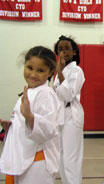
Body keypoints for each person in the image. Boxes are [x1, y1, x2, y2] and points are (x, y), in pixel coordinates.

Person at [0, 46, 63, 184]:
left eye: (40, 70)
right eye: (29, 68)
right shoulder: (30, 91)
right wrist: (9, 128)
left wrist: (29, 116)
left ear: (50, 72)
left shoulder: (45, 94)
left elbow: (48, 129)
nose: (33, 74)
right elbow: (24, 125)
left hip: (36, 163)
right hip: (24, 159)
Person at [53, 35, 85, 184]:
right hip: (58, 116)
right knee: (60, 156)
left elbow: (69, 94)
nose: (63, 52)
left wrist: (59, 71)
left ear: (74, 53)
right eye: (60, 49)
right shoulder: (57, 73)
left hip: (71, 116)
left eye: (67, 48)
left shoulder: (77, 71)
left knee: (71, 158)